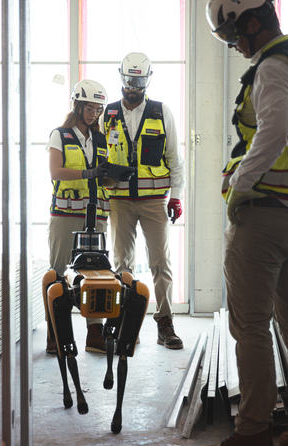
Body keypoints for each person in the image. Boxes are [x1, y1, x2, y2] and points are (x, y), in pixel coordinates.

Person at [193, 0, 288, 446]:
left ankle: (253, 436)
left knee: (250, 327)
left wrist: (241, 186)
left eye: (235, 35)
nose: (236, 46)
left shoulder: (273, 66)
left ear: (254, 23)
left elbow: (275, 129)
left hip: (266, 215)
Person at [99, 52, 186, 349]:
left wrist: (176, 197)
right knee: (123, 262)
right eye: (128, 79)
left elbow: (175, 158)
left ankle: (165, 323)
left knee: (161, 262)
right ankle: (125, 322)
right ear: (121, 77)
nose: (133, 85)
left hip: (154, 202)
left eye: (138, 80)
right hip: (120, 201)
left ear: (147, 80)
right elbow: (99, 160)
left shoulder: (162, 112)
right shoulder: (107, 114)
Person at [46, 79, 111, 354]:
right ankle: (56, 334)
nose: (93, 113)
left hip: (95, 215)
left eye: (97, 109)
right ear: (78, 105)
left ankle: (94, 332)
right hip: (65, 214)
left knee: (96, 273)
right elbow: (55, 172)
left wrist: (116, 177)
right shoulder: (60, 134)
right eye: (89, 107)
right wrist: (87, 173)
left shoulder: (99, 138)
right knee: (59, 273)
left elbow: (102, 177)